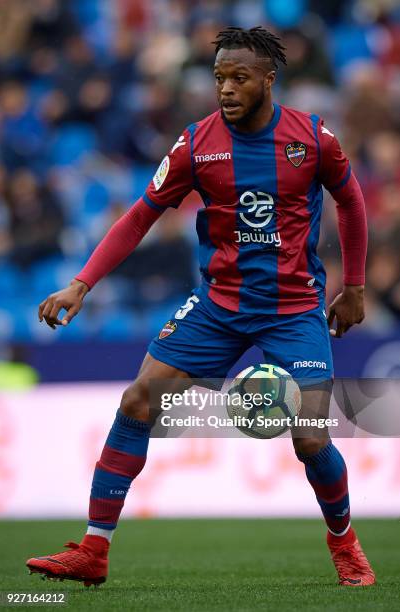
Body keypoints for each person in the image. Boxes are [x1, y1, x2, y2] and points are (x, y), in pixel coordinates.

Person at [26, 26, 374, 588]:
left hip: (293, 309)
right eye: (218, 78)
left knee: (310, 436)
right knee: (139, 398)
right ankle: (93, 549)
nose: (226, 89)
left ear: (269, 79)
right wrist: (81, 283)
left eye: (239, 78)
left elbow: (352, 203)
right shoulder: (197, 144)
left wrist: (354, 286)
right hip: (218, 305)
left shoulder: (311, 139)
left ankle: (344, 542)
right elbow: (140, 214)